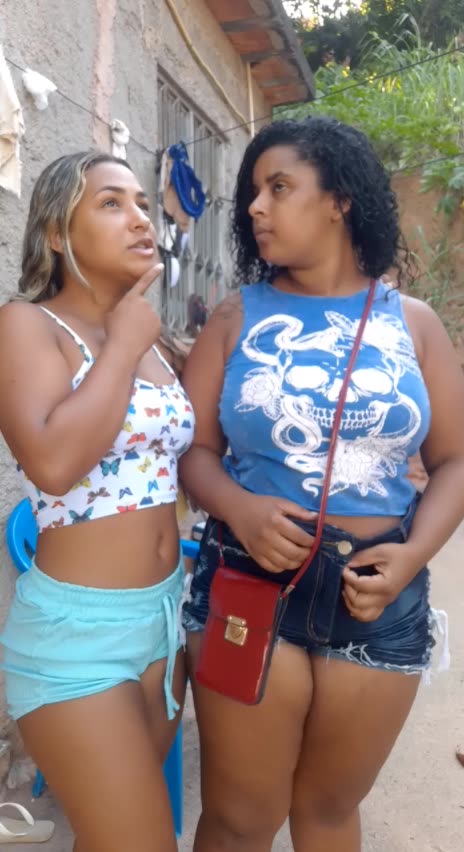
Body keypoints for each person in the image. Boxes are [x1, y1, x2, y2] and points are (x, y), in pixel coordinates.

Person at [180, 116, 464, 852]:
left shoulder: (414, 325)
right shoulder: (235, 318)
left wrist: (411, 557)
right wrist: (238, 508)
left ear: (339, 199)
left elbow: (460, 460)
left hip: (377, 595)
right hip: (252, 579)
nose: (256, 206)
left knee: (329, 813)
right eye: (254, 192)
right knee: (241, 819)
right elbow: (192, 453)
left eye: (279, 187)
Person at [0, 151, 194, 852]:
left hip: (163, 621)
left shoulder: (156, 343)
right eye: (111, 203)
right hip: (77, 636)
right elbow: (53, 464)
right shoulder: (28, 325)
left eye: (142, 203)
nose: (140, 218)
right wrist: (122, 343)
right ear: (57, 234)